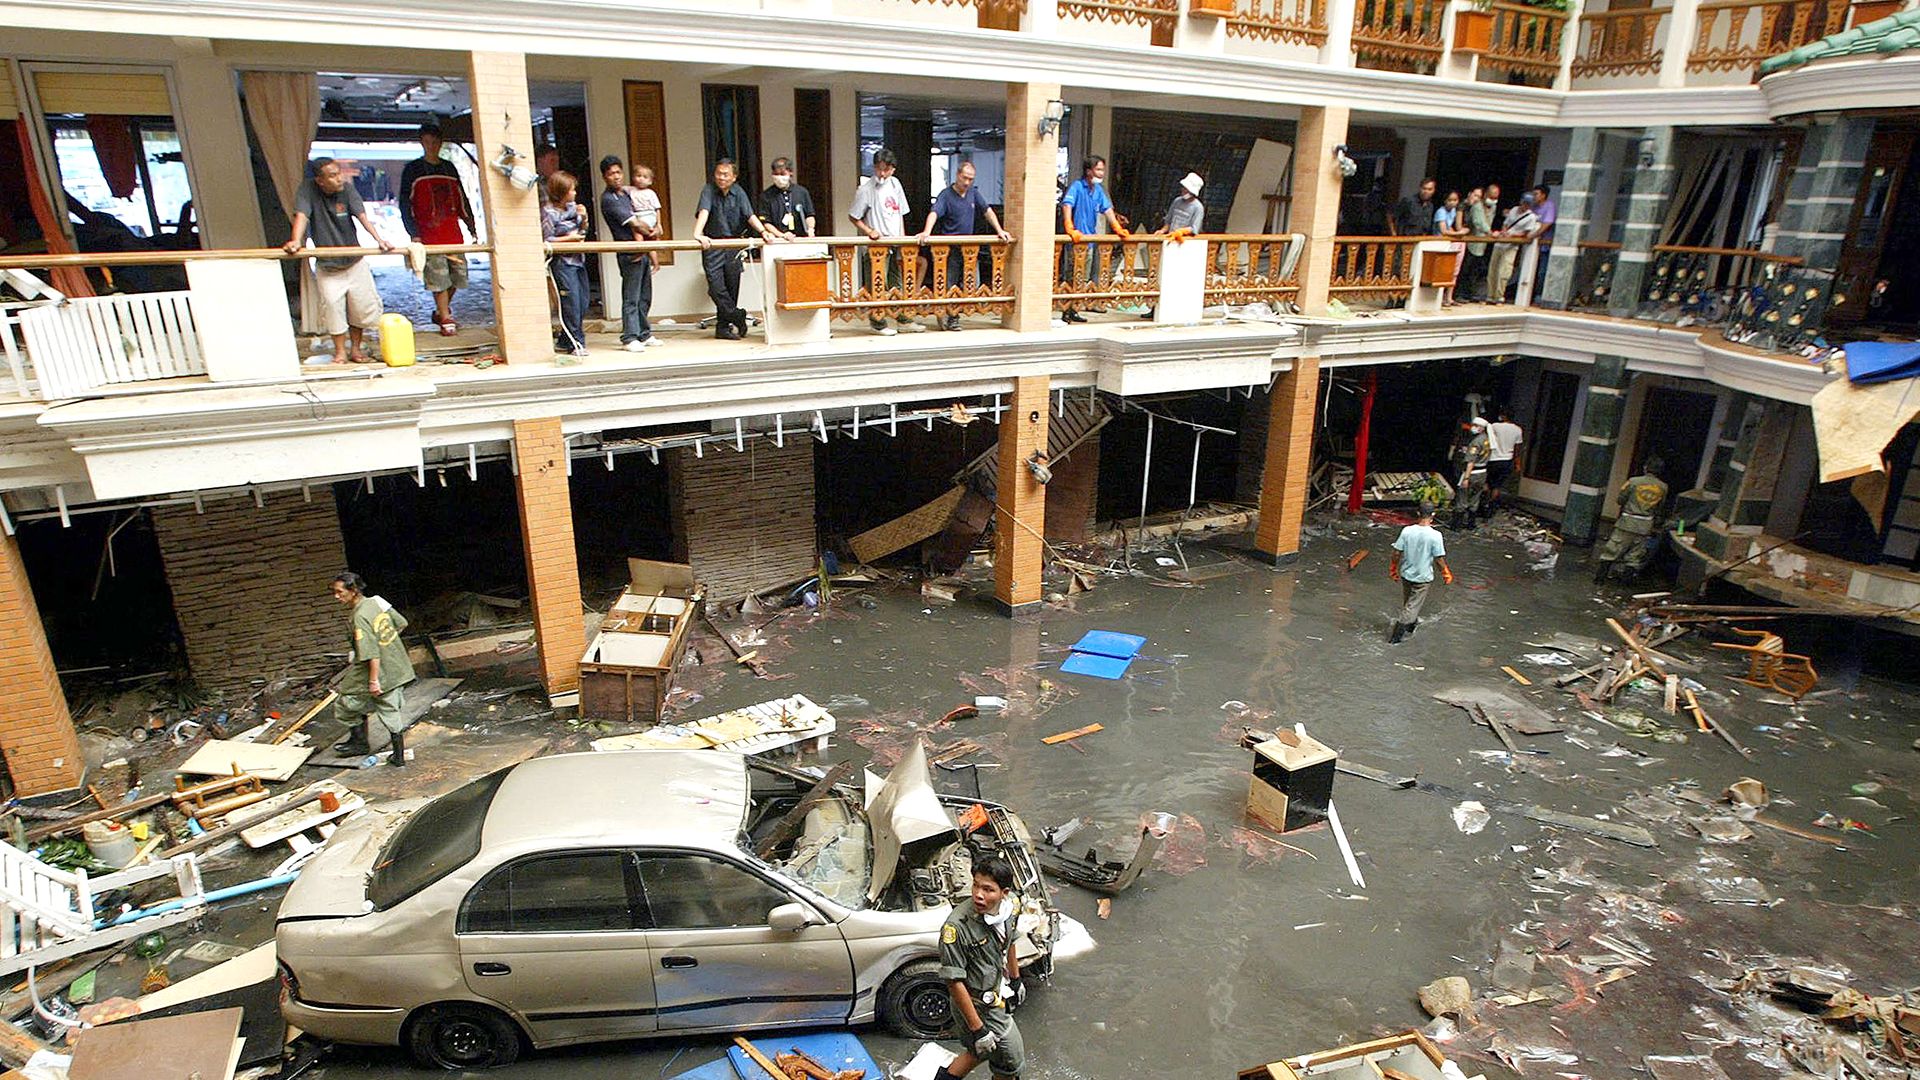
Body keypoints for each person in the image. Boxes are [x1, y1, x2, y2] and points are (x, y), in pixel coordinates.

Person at [283, 157, 395, 364]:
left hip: (354, 261)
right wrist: (296, 241)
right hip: (328, 265)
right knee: (334, 308)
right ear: (320, 180)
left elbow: (362, 217)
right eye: (333, 176)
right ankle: (340, 352)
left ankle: (356, 350)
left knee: (359, 308)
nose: (339, 179)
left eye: (339, 173)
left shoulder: (347, 190)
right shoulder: (307, 190)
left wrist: (380, 240)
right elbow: (302, 216)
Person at [936, 856, 1027, 1080]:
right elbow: (953, 980)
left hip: (997, 991)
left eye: (988, 889)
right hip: (977, 1004)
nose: (978, 894)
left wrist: (1015, 979)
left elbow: (1010, 939)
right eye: (975, 885)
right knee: (1011, 1060)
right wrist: (978, 1029)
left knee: (980, 1053)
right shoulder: (956, 927)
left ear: (1004, 893)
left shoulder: (1011, 906)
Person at [328, 572, 416, 767]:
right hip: (396, 663)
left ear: (354, 591)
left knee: (348, 702)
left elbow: (371, 652)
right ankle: (396, 754)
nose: (336, 596)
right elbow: (401, 623)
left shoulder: (360, 616)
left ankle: (362, 743)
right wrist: (387, 644)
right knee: (388, 705)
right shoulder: (376, 602)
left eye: (339, 592)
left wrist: (374, 680)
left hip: (376, 667)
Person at [397, 122, 475, 336]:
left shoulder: (449, 168)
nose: (432, 146)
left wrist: (471, 224)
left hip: (453, 233)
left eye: (435, 142)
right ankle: (446, 316)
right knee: (438, 277)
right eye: (427, 142)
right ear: (422, 143)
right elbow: (405, 203)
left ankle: (441, 311)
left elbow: (461, 198)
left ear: (440, 143)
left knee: (458, 277)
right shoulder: (412, 169)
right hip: (429, 234)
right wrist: (413, 233)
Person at [916, 161, 1012, 331]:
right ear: (957, 175)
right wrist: (926, 232)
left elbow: (987, 211)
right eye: (965, 178)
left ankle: (955, 315)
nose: (967, 182)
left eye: (971, 179)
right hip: (950, 248)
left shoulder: (973, 194)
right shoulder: (946, 195)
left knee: (968, 283)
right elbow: (935, 212)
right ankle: (949, 317)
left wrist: (1000, 230)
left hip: (968, 248)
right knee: (950, 283)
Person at [695, 158, 781, 340]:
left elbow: (749, 215)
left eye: (725, 174)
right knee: (716, 288)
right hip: (713, 244)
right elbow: (704, 211)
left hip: (734, 245)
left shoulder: (739, 192)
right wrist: (697, 233)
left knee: (731, 287)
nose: (721, 178)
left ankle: (723, 328)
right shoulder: (708, 189)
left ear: (734, 177)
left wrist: (764, 231)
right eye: (718, 173)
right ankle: (738, 316)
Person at [849, 148, 916, 336]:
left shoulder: (895, 185)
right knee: (878, 284)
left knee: (898, 283)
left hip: (895, 241)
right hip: (877, 246)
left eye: (886, 169)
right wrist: (869, 231)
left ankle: (904, 319)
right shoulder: (866, 189)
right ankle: (878, 323)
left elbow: (900, 213)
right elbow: (854, 216)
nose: (882, 173)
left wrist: (903, 240)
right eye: (879, 169)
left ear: (893, 169)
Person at [599, 156, 661, 352]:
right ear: (604, 177)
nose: (616, 177)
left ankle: (644, 333)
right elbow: (635, 223)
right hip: (628, 251)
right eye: (611, 174)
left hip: (642, 250)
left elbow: (650, 209)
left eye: (618, 172)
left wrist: (657, 227)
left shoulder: (628, 193)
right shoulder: (609, 199)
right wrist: (653, 231)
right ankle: (629, 337)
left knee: (645, 296)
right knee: (631, 297)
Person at [1059, 155, 1127, 324]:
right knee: (1072, 275)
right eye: (1098, 169)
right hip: (1076, 240)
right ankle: (1066, 311)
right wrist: (1069, 225)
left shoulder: (1098, 191)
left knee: (1083, 276)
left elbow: (1108, 210)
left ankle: (1074, 309)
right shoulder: (1077, 187)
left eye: (1102, 169)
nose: (1101, 173)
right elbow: (1067, 204)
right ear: (1088, 171)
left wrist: (1117, 227)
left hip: (1089, 240)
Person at [1594, 458, 1671, 583]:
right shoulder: (1663, 487)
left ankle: (1600, 579)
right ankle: (1625, 582)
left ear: (1645, 467)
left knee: (1612, 550)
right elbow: (1660, 506)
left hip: (1627, 522)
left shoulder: (1633, 481)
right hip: (1645, 525)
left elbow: (1620, 499)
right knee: (1635, 555)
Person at [1387, 503, 1453, 644]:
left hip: (1406, 574)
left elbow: (1397, 552)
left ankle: (1411, 626)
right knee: (1412, 606)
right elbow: (1438, 559)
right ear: (1433, 515)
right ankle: (1395, 638)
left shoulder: (1407, 531)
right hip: (1422, 578)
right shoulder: (1436, 535)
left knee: (1409, 603)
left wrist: (1393, 568)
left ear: (1418, 514)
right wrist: (1445, 573)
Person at [541, 171, 590, 356]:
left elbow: (583, 231)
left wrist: (584, 217)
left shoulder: (572, 208)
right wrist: (568, 240)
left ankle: (564, 339)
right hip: (562, 262)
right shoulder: (548, 212)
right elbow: (546, 239)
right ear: (561, 191)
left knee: (583, 303)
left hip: (578, 260)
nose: (575, 193)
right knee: (571, 304)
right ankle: (576, 343)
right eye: (571, 190)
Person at [1488, 192, 1538, 305]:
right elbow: (1506, 223)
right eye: (1524, 203)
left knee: (1504, 271)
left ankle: (1499, 296)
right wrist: (1504, 231)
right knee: (1493, 269)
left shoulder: (1531, 217)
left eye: (1528, 204)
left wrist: (1512, 235)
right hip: (1501, 242)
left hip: (1512, 245)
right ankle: (1490, 295)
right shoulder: (1514, 210)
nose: (1525, 206)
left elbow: (1526, 232)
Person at [761, 156, 817, 239]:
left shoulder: (802, 192)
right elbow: (766, 222)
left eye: (782, 174)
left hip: (800, 238)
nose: (779, 177)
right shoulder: (766, 195)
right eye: (776, 174)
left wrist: (811, 229)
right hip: (777, 240)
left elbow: (809, 215)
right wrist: (782, 235)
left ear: (790, 173)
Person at [1486, 410, 1524, 514]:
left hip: (1493, 458)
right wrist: (1517, 464)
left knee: (1488, 483)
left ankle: (1484, 503)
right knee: (1497, 485)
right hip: (1507, 460)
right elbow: (1517, 449)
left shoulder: (1495, 426)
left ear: (1503, 416)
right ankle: (1491, 505)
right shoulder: (1518, 430)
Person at [1461, 187, 1494, 303]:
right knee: (1466, 269)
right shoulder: (1476, 207)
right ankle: (1461, 293)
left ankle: (1470, 293)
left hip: (1482, 243)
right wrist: (1490, 233)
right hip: (1471, 242)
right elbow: (1479, 222)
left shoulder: (1491, 207)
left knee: (1475, 270)